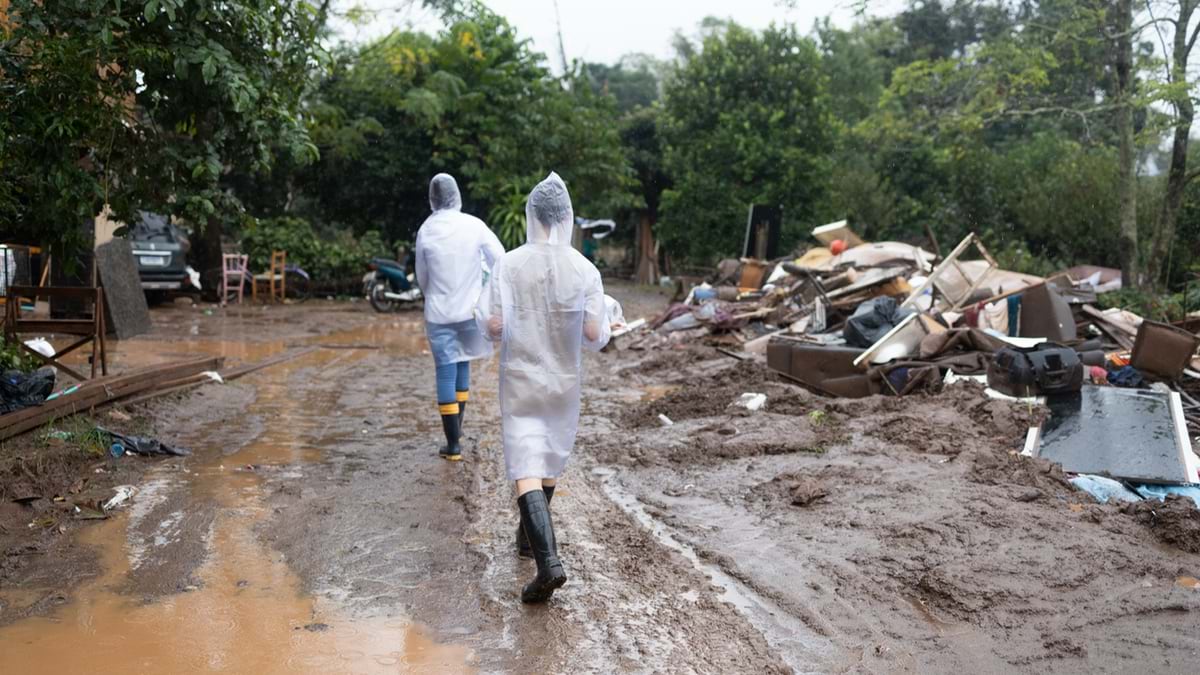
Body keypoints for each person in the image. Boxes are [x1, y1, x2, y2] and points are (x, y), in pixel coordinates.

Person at [479, 172, 614, 603]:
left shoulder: (510, 263)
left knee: (525, 463)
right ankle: (527, 540)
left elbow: (492, 324)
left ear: (532, 217)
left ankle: (548, 565)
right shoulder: (585, 268)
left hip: (521, 376)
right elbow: (595, 333)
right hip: (563, 380)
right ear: (567, 218)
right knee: (549, 458)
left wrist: (510, 321)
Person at [414, 173, 504, 461]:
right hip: (470, 311)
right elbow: (500, 260)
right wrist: (487, 292)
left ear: (432, 198)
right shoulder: (474, 225)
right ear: (457, 194)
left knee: (445, 370)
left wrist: (436, 295)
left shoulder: (425, 230)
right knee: (463, 360)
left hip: (439, 313)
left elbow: (422, 276)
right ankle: (458, 430)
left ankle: (452, 444)